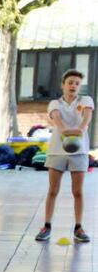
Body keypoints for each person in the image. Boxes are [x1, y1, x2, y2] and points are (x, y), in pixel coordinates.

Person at [35, 69, 94, 243]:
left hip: (79, 151)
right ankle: (46, 226)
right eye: (70, 83)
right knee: (53, 190)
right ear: (63, 85)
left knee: (78, 192)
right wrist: (65, 131)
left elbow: (86, 119)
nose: (73, 86)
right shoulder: (55, 103)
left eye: (77, 83)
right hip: (56, 151)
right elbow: (57, 120)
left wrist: (80, 130)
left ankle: (78, 228)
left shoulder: (86, 100)